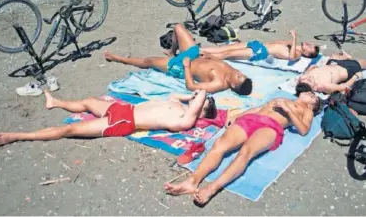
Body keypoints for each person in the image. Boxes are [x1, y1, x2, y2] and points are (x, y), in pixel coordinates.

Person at [165, 84, 321, 205]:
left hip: (271, 127)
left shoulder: (306, 111)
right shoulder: (281, 98)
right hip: (252, 119)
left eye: (313, 96)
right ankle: (192, 182)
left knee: (246, 152)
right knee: (220, 145)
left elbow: (303, 130)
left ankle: (212, 188)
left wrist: (288, 110)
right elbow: (259, 108)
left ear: (311, 106)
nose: (310, 93)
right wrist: (239, 116)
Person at [0, 89, 217, 146]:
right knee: (89, 101)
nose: (196, 95)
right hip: (123, 109)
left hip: (123, 122)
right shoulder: (177, 103)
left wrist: (203, 94)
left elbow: (199, 98)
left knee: (68, 131)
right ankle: (56, 102)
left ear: (200, 110)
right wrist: (192, 95)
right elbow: (177, 95)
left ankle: (19, 136)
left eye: (200, 99)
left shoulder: (185, 119)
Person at [104, 24, 253, 95]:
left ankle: (118, 58)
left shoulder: (217, 84)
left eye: (239, 76)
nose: (239, 72)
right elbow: (220, 63)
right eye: (242, 74)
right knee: (178, 27)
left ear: (233, 85)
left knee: (149, 62)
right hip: (193, 54)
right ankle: (171, 50)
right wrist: (210, 56)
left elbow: (191, 87)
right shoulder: (233, 72)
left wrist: (187, 67)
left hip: (181, 66)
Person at [202, 30, 320, 62]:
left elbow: (291, 57)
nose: (310, 44)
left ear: (307, 54)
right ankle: (197, 50)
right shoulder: (291, 44)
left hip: (261, 52)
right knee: (224, 48)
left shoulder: (298, 54)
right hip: (258, 44)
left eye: (311, 47)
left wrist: (294, 39)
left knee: (227, 54)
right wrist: (292, 41)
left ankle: (201, 57)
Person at [298, 53, 366, 94]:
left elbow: (305, 74)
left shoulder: (303, 80)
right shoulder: (324, 86)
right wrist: (356, 76)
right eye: (309, 80)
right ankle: (346, 59)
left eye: (305, 78)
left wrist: (309, 70)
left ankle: (345, 58)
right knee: (362, 62)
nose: (308, 77)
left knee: (334, 55)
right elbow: (343, 87)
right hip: (347, 69)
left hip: (333, 64)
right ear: (315, 88)